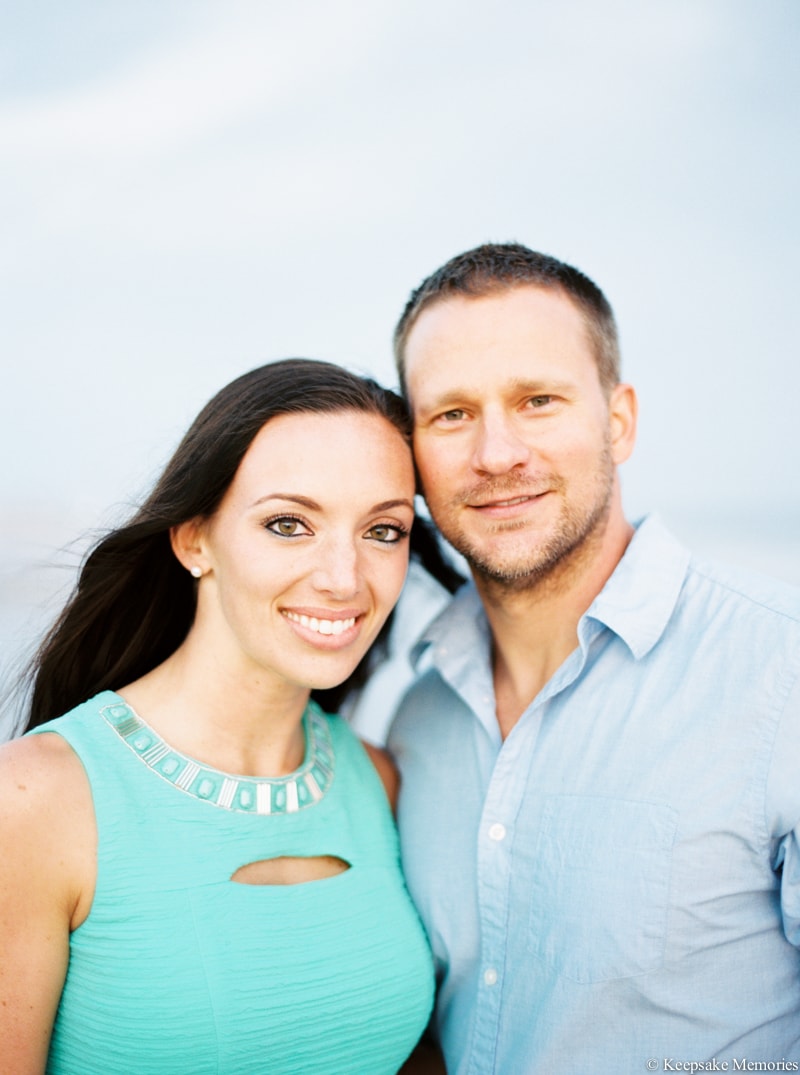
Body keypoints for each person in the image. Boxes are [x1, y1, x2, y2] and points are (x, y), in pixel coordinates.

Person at [386, 243, 800, 1073]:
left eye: (538, 400)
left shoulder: (778, 669)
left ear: (619, 420)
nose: (497, 453)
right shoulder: (414, 716)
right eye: (452, 414)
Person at [0, 358, 437, 1075]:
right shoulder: (35, 803)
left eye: (383, 530)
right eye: (289, 524)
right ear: (193, 538)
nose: (344, 578)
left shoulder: (379, 782)